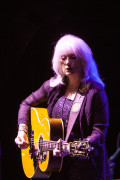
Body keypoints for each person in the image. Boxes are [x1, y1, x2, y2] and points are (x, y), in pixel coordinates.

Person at [15, 34, 111, 180]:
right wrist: (22, 131)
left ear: (83, 60)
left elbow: (99, 134)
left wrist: (72, 148)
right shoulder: (53, 86)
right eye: (63, 58)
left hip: (84, 168)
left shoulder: (95, 92)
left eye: (73, 57)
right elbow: (26, 104)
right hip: (55, 167)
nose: (67, 63)